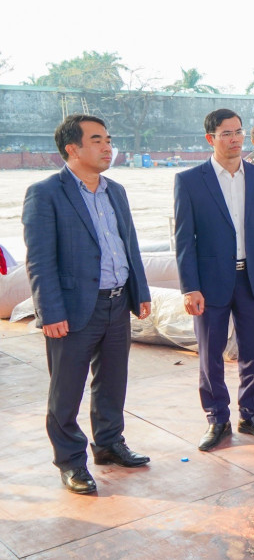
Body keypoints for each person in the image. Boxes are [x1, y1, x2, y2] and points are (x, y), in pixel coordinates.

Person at [23, 114, 152, 494]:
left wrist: (140, 292)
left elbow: (129, 246)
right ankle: (70, 462)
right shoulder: (46, 193)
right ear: (72, 149)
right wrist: (50, 312)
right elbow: (40, 260)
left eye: (108, 139)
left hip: (117, 303)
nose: (107, 147)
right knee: (66, 392)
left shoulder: (116, 191)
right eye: (97, 140)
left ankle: (109, 444)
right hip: (74, 309)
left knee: (112, 382)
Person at [174, 108, 254, 452]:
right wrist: (190, 287)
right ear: (211, 138)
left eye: (239, 132)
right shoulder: (190, 181)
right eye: (227, 133)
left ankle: (251, 414)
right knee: (211, 354)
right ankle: (217, 418)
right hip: (209, 284)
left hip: (253, 279)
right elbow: (184, 239)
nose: (235, 139)